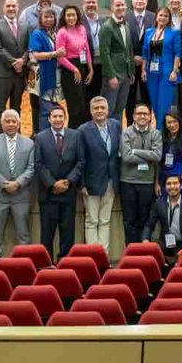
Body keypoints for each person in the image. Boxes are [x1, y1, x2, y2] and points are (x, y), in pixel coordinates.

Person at [0, 109, 36, 258]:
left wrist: (18, 183)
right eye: (8, 121)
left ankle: (25, 263)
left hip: (21, 197)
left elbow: (31, 168)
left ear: (19, 124)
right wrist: (5, 184)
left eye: (14, 121)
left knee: (23, 235)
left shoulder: (29, 143)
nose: (11, 124)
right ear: (2, 124)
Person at [34, 106, 83, 260]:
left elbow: (81, 161)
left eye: (60, 116)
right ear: (49, 119)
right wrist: (53, 184)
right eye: (54, 116)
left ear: (65, 118)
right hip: (48, 194)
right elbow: (38, 164)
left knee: (68, 233)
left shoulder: (75, 136)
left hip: (68, 193)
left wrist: (68, 181)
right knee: (47, 234)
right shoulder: (40, 137)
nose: (58, 119)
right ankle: (46, 264)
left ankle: (65, 263)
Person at [79, 96, 121, 255]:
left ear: (107, 109)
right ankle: (93, 257)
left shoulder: (115, 126)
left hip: (111, 181)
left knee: (105, 221)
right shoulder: (83, 130)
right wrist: (82, 184)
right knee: (91, 221)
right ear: (90, 111)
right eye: (96, 108)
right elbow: (80, 158)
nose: (99, 111)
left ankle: (104, 256)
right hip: (91, 182)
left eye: (102, 108)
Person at [119, 104, 162, 245]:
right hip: (128, 182)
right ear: (133, 116)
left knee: (145, 219)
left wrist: (135, 151)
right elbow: (126, 157)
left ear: (150, 117)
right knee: (129, 220)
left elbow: (157, 156)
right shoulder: (126, 133)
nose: (142, 116)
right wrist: (148, 156)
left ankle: (144, 252)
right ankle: (131, 251)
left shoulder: (156, 134)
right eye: (139, 113)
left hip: (147, 183)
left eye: (145, 113)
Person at [0, 0, 29, 132]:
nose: (11, 8)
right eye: (8, 6)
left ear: (18, 7)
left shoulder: (25, 26)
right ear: (3, 8)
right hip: (2, 73)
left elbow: (29, 47)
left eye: (14, 6)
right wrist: (14, 63)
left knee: (16, 107)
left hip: (19, 75)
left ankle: (16, 136)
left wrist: (23, 60)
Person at [141, 8, 181, 128]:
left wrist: (174, 71)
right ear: (156, 17)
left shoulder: (174, 33)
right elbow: (145, 53)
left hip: (167, 73)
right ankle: (159, 130)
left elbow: (177, 53)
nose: (162, 18)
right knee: (155, 104)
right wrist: (143, 70)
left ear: (169, 19)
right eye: (161, 15)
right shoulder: (148, 32)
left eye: (166, 16)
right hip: (151, 72)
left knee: (164, 105)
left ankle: (160, 133)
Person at [26, 7, 65, 133]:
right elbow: (35, 55)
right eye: (46, 17)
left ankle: (53, 133)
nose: (49, 19)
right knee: (45, 108)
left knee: (54, 106)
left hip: (55, 74)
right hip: (42, 75)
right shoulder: (37, 33)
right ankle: (43, 135)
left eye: (51, 17)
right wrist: (55, 54)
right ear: (40, 19)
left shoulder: (55, 33)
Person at [142, 174, 182, 259]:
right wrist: (145, 240)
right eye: (169, 184)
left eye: (175, 183)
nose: (172, 186)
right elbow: (149, 225)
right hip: (165, 243)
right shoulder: (159, 203)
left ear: (181, 185)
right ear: (165, 186)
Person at [56, 5, 94, 129]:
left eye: (73, 15)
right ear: (64, 17)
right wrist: (74, 69)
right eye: (68, 15)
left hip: (82, 66)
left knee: (83, 105)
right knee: (75, 107)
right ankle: (73, 133)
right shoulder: (62, 32)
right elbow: (60, 57)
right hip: (69, 70)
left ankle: (81, 133)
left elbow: (86, 49)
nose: (71, 18)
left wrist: (90, 69)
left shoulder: (82, 28)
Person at [97, 0, 135, 121]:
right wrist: (111, 76)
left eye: (122, 5)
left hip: (126, 74)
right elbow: (104, 53)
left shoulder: (126, 24)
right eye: (117, 5)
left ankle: (116, 135)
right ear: (112, 7)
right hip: (114, 75)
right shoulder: (107, 27)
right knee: (109, 108)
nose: (121, 7)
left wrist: (131, 71)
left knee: (120, 108)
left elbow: (128, 49)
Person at [125, 0, 155, 122]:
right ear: (132, 1)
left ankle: (147, 124)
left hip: (148, 65)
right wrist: (131, 57)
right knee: (129, 97)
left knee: (147, 96)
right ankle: (130, 124)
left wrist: (144, 58)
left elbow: (158, 41)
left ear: (147, 1)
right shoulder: (124, 17)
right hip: (128, 64)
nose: (139, 1)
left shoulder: (154, 17)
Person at [158, 109, 182, 197]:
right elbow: (158, 163)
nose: (172, 125)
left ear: (180, 122)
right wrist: (156, 183)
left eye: (175, 121)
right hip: (163, 178)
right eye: (169, 122)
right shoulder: (162, 139)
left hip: (180, 178)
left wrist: (180, 181)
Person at [81, 0, 106, 103]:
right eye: (88, 2)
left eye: (93, 2)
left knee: (98, 97)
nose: (91, 5)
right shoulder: (78, 22)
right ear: (83, 4)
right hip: (85, 65)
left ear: (97, 4)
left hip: (101, 65)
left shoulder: (104, 21)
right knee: (86, 98)